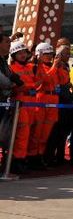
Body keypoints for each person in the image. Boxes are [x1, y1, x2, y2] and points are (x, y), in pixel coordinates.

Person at [30, 42, 68, 169]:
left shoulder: (54, 66)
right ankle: (32, 157)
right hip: (41, 98)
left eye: (50, 54)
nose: (49, 56)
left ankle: (41, 157)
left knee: (46, 133)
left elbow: (64, 80)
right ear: (39, 54)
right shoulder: (36, 66)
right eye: (46, 54)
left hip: (54, 100)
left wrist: (59, 67)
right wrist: (54, 67)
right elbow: (44, 80)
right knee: (37, 131)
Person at [8, 40, 37, 174]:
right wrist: (25, 88)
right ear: (14, 55)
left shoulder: (30, 68)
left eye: (24, 52)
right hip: (20, 104)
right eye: (19, 53)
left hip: (31, 104)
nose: (23, 55)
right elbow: (11, 87)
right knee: (21, 134)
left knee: (29, 133)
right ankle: (15, 161)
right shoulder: (11, 68)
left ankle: (22, 159)